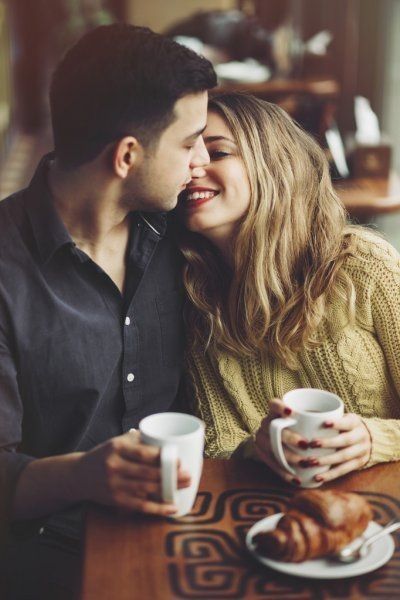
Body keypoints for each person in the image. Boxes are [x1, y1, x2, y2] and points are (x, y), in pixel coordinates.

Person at [0, 23, 216, 599]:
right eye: (190, 141)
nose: (201, 161)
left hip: (189, 530)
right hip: (48, 553)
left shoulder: (181, 228)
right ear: (127, 156)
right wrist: (84, 474)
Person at [178, 92, 400, 488]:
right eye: (186, 154)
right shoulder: (196, 296)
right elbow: (220, 445)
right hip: (273, 521)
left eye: (219, 152)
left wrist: (373, 439)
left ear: (272, 163)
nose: (193, 167)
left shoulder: (365, 266)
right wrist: (256, 449)